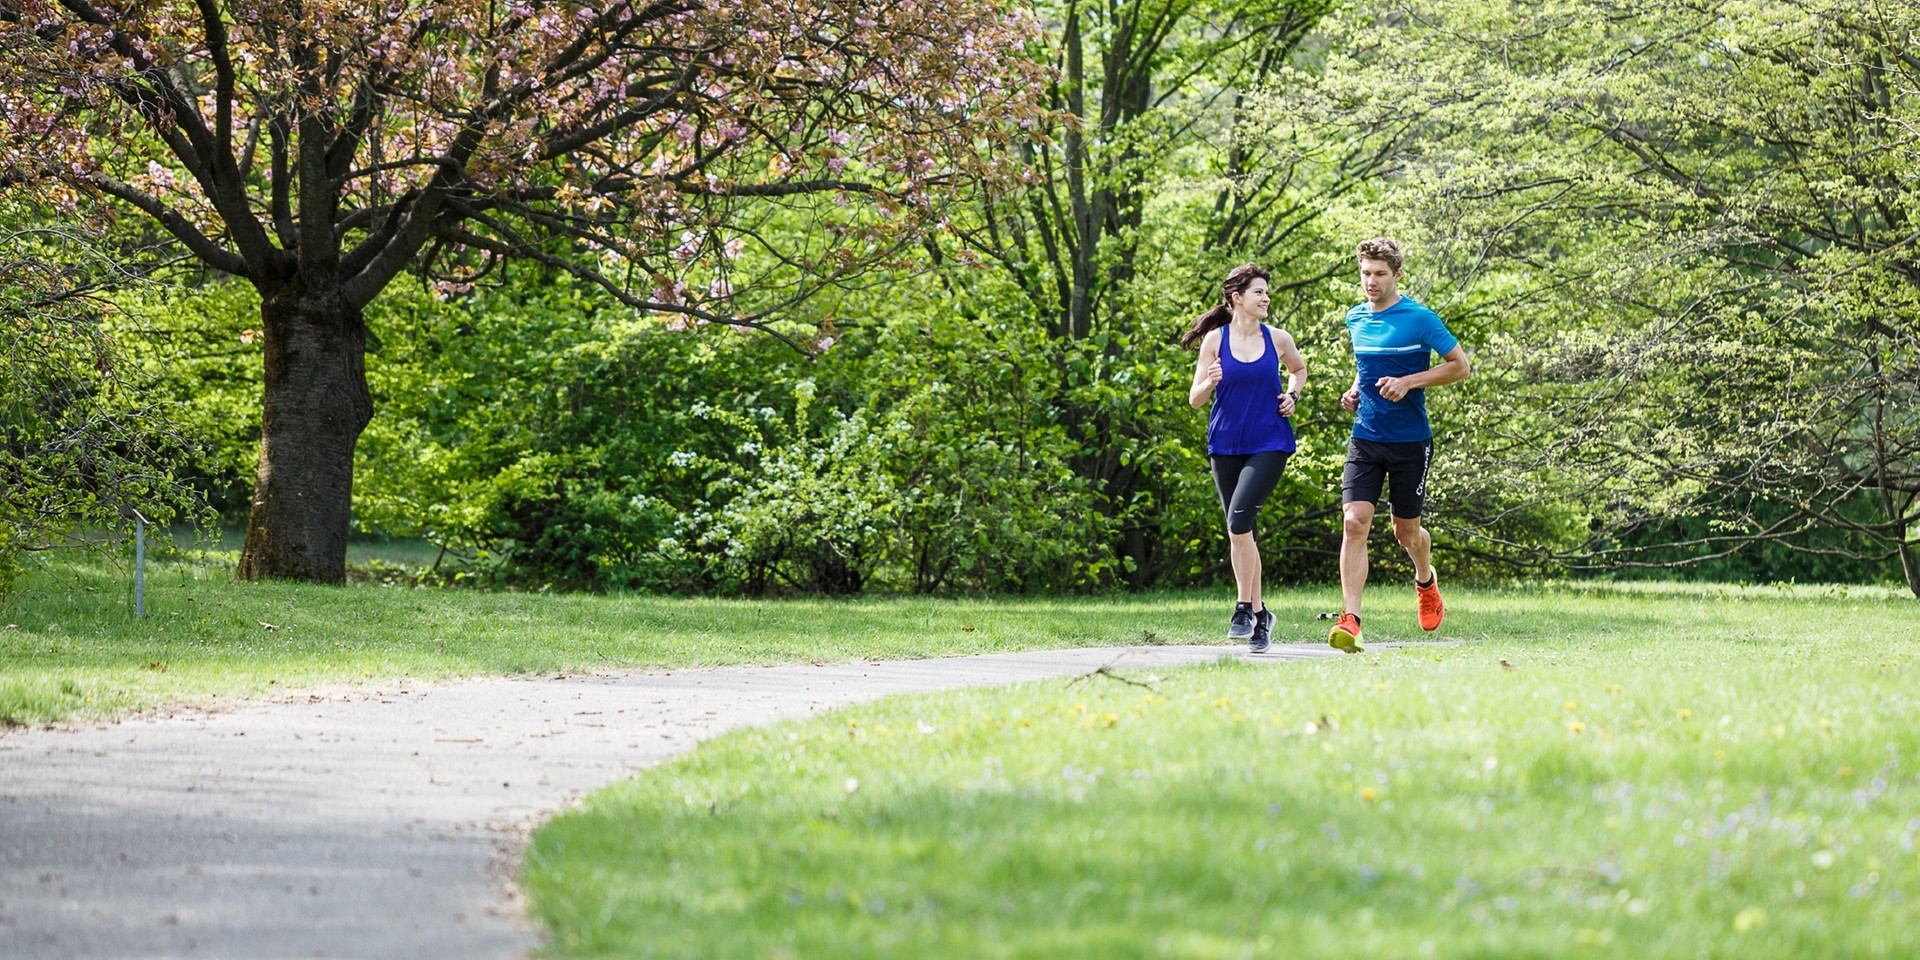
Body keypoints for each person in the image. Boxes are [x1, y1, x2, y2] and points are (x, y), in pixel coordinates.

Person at [1327, 238, 1470, 653]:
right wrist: (1354, 391)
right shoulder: (1355, 317)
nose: (1371, 281)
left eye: (1380, 274)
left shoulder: (1420, 318)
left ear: (1397, 275)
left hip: (1410, 441)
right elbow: (1366, 368)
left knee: (1406, 533)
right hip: (1366, 437)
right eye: (1365, 273)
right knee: (1354, 522)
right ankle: (1350, 619)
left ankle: (1426, 580)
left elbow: (1460, 366)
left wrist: (1409, 382)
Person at [1185, 264, 1307, 653]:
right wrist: (1209, 381)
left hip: (1269, 441)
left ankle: (1242, 609)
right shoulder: (1215, 341)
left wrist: (1293, 395)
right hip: (1224, 444)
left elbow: (1298, 370)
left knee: (1238, 522)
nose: (1266, 298)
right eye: (1258, 292)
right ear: (1237, 298)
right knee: (1243, 530)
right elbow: (1195, 399)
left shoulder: (1278, 338)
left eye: (1266, 292)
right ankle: (1261, 617)